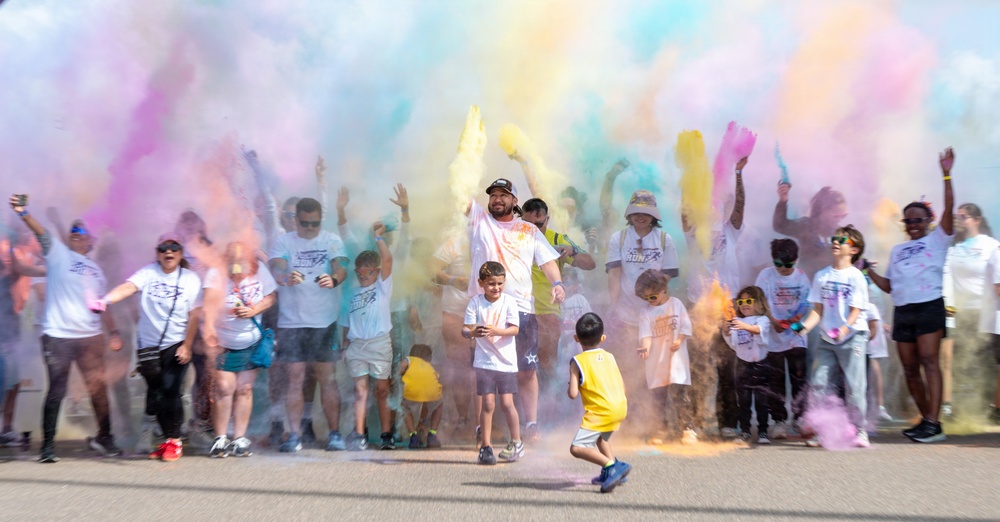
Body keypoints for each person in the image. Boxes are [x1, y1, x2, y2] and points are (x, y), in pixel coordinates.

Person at [9, 195, 122, 463]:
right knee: (56, 389)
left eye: (81, 231)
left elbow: (103, 305)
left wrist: (114, 332)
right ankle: (48, 446)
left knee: (98, 389)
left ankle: (104, 437)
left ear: (90, 241)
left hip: (91, 338)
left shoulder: (96, 271)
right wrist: (23, 212)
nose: (76, 233)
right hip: (58, 337)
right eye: (73, 230)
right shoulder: (57, 253)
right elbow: (43, 232)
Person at [464, 179, 563, 444]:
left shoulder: (529, 230)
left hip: (521, 309)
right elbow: (461, 193)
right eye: (493, 195)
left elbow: (548, 261)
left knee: (527, 370)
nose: (497, 199)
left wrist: (558, 283)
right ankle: (479, 429)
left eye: (504, 195)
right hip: (485, 309)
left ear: (515, 201)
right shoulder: (480, 220)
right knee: (482, 371)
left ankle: (531, 424)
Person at [867, 148, 955, 443]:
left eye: (918, 220)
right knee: (908, 367)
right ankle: (926, 421)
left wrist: (946, 174)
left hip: (929, 306)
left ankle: (933, 420)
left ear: (928, 220)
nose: (913, 225)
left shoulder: (939, 238)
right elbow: (890, 286)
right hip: (903, 310)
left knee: (930, 360)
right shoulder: (898, 250)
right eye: (909, 221)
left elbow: (949, 207)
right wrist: (868, 271)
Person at [96, 233, 203, 461]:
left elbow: (194, 315)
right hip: (148, 345)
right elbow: (128, 287)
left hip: (176, 343)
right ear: (157, 253)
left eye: (173, 248)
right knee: (156, 393)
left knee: (171, 391)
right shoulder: (148, 272)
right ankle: (163, 439)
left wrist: (187, 344)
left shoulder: (190, 279)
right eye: (164, 248)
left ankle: (174, 442)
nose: (168, 252)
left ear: (180, 253)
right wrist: (106, 300)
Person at [268, 197, 349, 453]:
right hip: (292, 323)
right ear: (296, 220)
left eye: (315, 223)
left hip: (324, 321)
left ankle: (335, 433)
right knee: (295, 378)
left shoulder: (331, 240)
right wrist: (284, 277)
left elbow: (342, 266)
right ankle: (294, 434)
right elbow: (276, 266)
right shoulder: (284, 240)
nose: (311, 228)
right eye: (305, 223)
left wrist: (334, 279)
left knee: (327, 378)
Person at [681, 156, 747, 439]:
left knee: (729, 366)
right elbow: (684, 209)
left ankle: (728, 422)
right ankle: (695, 423)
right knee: (697, 366)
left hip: (727, 308)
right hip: (698, 306)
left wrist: (738, 173)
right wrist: (690, 173)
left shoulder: (730, 231)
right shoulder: (693, 232)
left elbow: (740, 206)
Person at [521, 196, 596, 430]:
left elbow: (590, 263)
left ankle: (548, 418)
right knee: (519, 369)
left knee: (546, 367)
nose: (535, 229)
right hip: (519, 312)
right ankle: (524, 420)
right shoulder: (514, 236)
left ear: (547, 220)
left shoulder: (557, 239)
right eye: (529, 224)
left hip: (548, 315)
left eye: (540, 224)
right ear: (521, 219)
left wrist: (571, 250)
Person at [202, 241, 277, 458]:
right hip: (224, 341)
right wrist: (208, 328)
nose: (237, 266)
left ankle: (239, 438)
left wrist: (253, 310)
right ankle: (220, 437)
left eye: (240, 260)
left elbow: (270, 297)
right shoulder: (216, 273)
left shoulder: (258, 269)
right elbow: (207, 305)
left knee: (245, 388)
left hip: (250, 341)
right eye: (233, 261)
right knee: (224, 388)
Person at [606, 190, 680, 410]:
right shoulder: (618, 238)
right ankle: (630, 417)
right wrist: (613, 307)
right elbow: (614, 274)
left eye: (646, 212)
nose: (641, 216)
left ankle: (657, 420)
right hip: (626, 316)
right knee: (628, 368)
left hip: (656, 316)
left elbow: (665, 277)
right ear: (629, 213)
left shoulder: (665, 239)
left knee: (658, 370)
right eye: (636, 211)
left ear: (654, 215)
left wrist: (653, 303)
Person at [799, 225, 871, 448]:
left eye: (843, 240)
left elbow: (856, 310)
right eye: (835, 238)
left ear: (854, 250)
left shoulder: (856, 276)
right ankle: (826, 431)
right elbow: (817, 310)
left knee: (854, 386)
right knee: (819, 384)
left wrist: (845, 329)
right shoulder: (821, 276)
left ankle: (860, 431)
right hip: (826, 340)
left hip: (853, 337)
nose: (836, 242)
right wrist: (802, 328)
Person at [463, 261, 522, 465]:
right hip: (484, 362)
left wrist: (497, 331)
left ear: (504, 282)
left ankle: (516, 441)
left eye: (499, 283)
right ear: (481, 283)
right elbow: (465, 329)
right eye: (491, 284)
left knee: (507, 403)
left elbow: (515, 329)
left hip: (506, 363)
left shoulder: (509, 302)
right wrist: (472, 332)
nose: (496, 288)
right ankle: (486, 446)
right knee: (488, 403)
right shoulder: (476, 303)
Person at [941, 203, 997, 417]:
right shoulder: (952, 248)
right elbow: (946, 278)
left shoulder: (991, 245)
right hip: (957, 313)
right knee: (953, 360)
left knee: (986, 361)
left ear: (977, 220)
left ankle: (989, 407)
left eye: (963, 217)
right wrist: (949, 306)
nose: (959, 221)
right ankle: (951, 406)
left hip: (984, 313)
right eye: (957, 217)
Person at [342, 223, 394, 451]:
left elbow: (388, 261)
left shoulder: (382, 287)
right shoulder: (351, 294)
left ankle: (386, 434)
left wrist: (377, 238)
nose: (363, 276)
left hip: (379, 344)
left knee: (382, 390)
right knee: (360, 390)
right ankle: (359, 434)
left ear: (376, 271)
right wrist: (343, 343)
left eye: (368, 271)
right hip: (356, 346)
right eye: (359, 272)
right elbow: (345, 322)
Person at [568, 312, 631, 493]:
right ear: (603, 338)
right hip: (620, 405)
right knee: (600, 438)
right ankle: (609, 471)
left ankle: (613, 466)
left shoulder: (577, 361)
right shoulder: (610, 356)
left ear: (576, 338)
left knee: (577, 448)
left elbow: (572, 393)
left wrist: (573, 384)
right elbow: (623, 386)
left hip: (601, 411)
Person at [755, 239, 811, 438]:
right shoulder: (765, 276)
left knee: (799, 379)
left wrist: (793, 322)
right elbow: (760, 301)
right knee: (775, 381)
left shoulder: (802, 277)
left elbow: (806, 304)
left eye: (789, 265)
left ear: (796, 261)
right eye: (779, 264)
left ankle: (800, 418)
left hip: (796, 335)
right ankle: (778, 420)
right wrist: (773, 321)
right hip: (773, 335)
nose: (784, 269)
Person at [635, 270, 697, 445]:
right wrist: (645, 349)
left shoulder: (676, 304)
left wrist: (679, 340)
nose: (650, 301)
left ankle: (688, 429)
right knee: (658, 399)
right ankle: (661, 429)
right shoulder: (646, 312)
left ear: (663, 289)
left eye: (653, 297)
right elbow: (645, 335)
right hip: (656, 363)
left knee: (681, 395)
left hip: (676, 361)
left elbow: (686, 325)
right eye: (646, 298)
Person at [432, 236, 474, 432]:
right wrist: (452, 280)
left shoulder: (495, 239)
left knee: (492, 370)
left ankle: (491, 423)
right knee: (461, 369)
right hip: (455, 314)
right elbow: (432, 271)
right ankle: (463, 419)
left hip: (488, 314)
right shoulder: (453, 243)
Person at [725, 286, 772, 444]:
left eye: (748, 301)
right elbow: (733, 343)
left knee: (762, 401)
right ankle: (744, 431)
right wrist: (725, 331)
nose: (744, 304)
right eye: (741, 301)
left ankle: (763, 432)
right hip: (742, 364)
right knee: (743, 401)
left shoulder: (763, 319)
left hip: (760, 365)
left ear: (759, 303)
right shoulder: (738, 321)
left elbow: (759, 331)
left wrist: (743, 326)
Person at [773, 184, 849, 277]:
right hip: (807, 283)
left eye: (844, 215)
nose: (840, 219)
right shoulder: (806, 226)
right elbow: (780, 226)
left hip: (832, 286)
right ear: (823, 210)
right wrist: (782, 201)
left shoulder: (840, 234)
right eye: (836, 216)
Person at [400, 344, 443, 449]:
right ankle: (432, 434)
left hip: (412, 391)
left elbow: (400, 369)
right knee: (437, 404)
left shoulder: (408, 359)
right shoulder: (429, 366)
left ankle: (412, 435)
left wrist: (399, 377)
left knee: (404, 407)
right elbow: (437, 379)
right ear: (429, 358)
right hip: (431, 392)